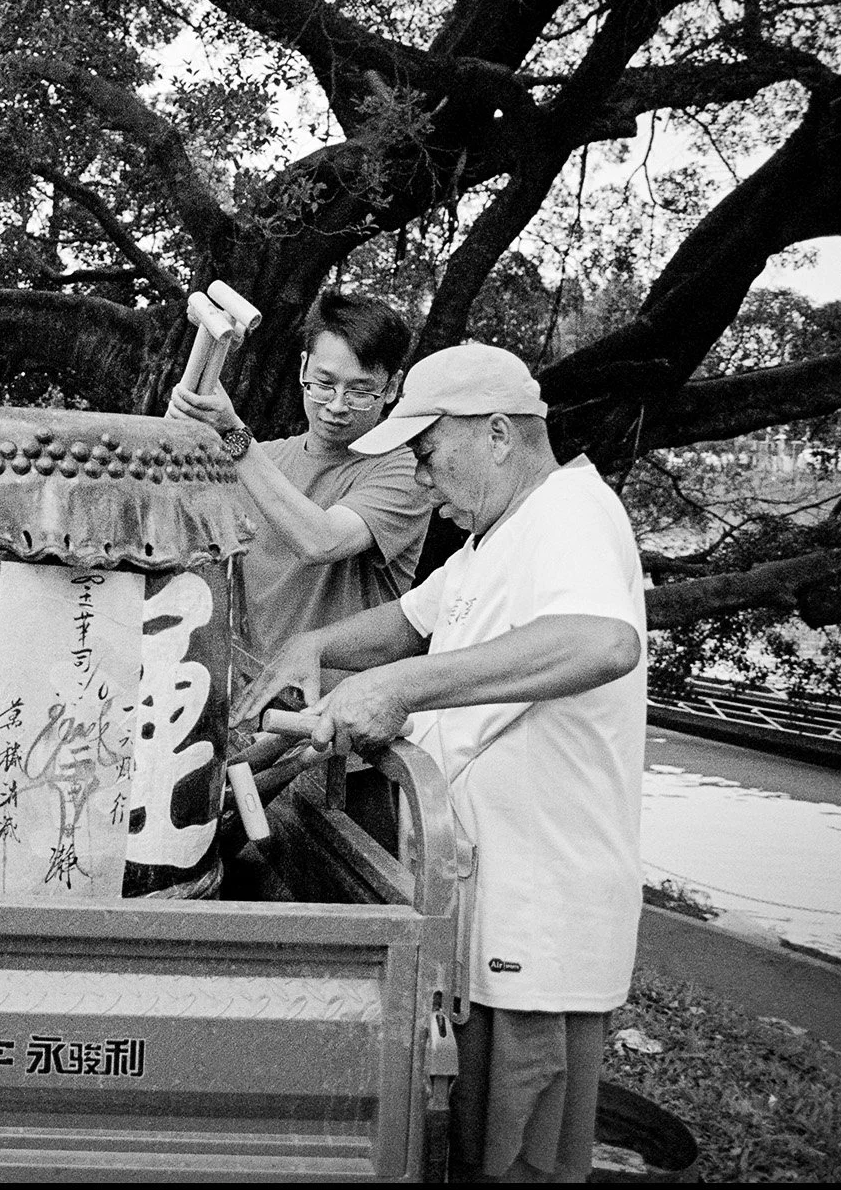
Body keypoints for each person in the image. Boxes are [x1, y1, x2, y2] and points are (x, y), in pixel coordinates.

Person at [234, 342, 647, 1184]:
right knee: (461, 1147)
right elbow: (412, 620)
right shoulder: (495, 536)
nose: (422, 479)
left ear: (498, 433)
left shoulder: (571, 512)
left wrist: (401, 689)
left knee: (515, 1156)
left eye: (428, 452)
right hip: (479, 910)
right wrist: (317, 644)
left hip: (540, 927)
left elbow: (604, 641)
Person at [168, 292, 432, 687]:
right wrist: (183, 430)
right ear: (303, 368)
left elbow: (320, 540)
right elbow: (167, 512)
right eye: (324, 384)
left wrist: (232, 435)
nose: (337, 405)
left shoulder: (407, 469)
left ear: (392, 387)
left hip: (325, 716)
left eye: (361, 391)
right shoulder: (266, 459)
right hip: (234, 690)